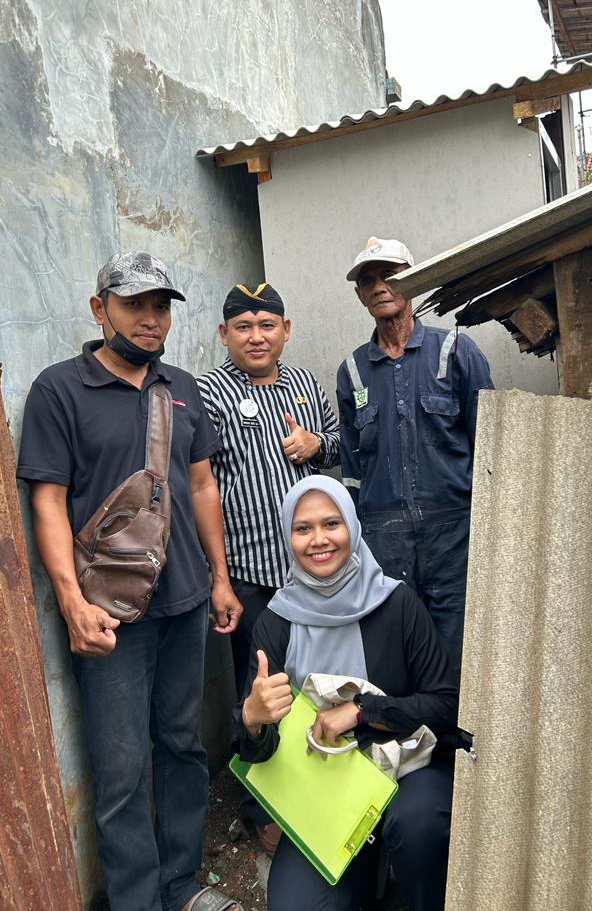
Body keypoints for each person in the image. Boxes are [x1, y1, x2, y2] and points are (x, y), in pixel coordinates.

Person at [17, 252, 243, 911]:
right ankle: (136, 901)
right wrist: (71, 602)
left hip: (186, 603)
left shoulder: (182, 387)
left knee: (182, 746)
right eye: (134, 304)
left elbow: (201, 486)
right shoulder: (60, 390)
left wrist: (220, 578)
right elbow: (48, 503)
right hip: (109, 616)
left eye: (160, 306)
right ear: (100, 309)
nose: (151, 319)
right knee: (120, 773)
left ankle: (181, 887)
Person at [234, 476, 460, 911]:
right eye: (303, 528)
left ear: (352, 527)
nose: (318, 539)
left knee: (419, 826)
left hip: (406, 770)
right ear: (287, 536)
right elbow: (255, 750)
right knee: (294, 905)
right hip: (324, 789)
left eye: (331, 523)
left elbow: (446, 705)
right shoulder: (276, 622)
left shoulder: (397, 603)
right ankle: (364, 871)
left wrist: (361, 710)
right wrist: (252, 719)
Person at [197, 282, 340, 850]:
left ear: (286, 330)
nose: (256, 337)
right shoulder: (209, 393)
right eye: (243, 327)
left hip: (314, 571)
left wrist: (316, 443)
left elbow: (339, 446)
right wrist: (220, 579)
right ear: (224, 334)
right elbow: (200, 484)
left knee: (315, 680)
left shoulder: (305, 383)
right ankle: (260, 807)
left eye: (267, 325)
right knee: (258, 687)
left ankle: (317, 786)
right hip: (250, 574)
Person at [337, 237, 494, 676]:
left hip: (455, 535)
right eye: (368, 281)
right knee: (399, 658)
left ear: (417, 280)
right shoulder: (353, 371)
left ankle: (456, 724)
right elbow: (352, 469)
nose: (379, 286)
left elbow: (492, 449)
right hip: (385, 541)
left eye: (390, 275)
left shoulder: (456, 351)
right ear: (360, 296)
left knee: (460, 657)